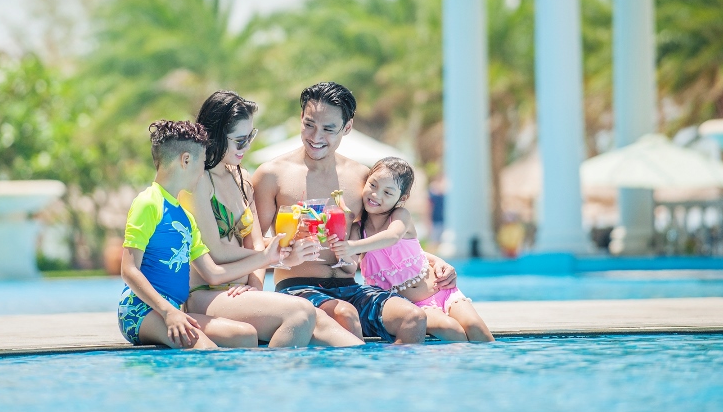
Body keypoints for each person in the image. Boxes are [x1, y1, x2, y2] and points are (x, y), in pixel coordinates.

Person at [252, 81, 458, 344]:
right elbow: (252, 245)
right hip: (298, 288)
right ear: (301, 118)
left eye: (328, 129)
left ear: (347, 127)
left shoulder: (361, 177)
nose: (316, 136)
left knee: (413, 318)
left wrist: (433, 261)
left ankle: (387, 371)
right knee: (346, 315)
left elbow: (382, 236)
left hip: (350, 287)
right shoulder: (272, 175)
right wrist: (286, 245)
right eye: (309, 125)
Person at [182, 90, 362, 347]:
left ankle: (361, 369)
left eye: (250, 137)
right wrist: (274, 256)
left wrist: (267, 271)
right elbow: (217, 252)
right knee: (301, 311)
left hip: (242, 293)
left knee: (332, 328)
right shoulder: (198, 181)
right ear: (215, 135)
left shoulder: (241, 178)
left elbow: (256, 243)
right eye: (239, 140)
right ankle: (269, 372)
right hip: (207, 294)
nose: (246, 147)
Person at [118, 119, 287, 350]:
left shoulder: (186, 219)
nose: (203, 172)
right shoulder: (148, 203)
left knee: (245, 335)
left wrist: (266, 258)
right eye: (202, 163)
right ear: (186, 160)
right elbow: (129, 270)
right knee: (205, 349)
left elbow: (214, 274)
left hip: (172, 310)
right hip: (140, 311)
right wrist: (168, 312)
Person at [332, 157, 493, 342]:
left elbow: (392, 237)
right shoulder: (358, 230)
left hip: (442, 291)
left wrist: (352, 246)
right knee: (450, 328)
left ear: (402, 198)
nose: (376, 194)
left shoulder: (400, 216)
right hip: (411, 306)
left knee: (476, 327)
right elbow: (350, 267)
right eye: (373, 185)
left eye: (387, 192)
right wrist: (341, 247)